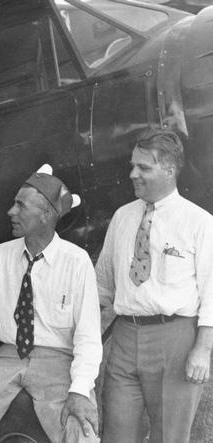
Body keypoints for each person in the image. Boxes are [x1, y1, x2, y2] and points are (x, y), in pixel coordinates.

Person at [0, 165, 102, 443]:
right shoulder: (1, 255)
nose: (10, 212)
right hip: (7, 358)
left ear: (46, 215)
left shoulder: (77, 262)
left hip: (57, 362)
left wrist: (79, 391)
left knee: (81, 430)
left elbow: (88, 336)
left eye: (20, 206)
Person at [96, 129, 213, 443]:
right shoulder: (122, 217)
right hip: (124, 337)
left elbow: (212, 294)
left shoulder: (199, 222)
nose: (133, 174)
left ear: (170, 171)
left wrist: (202, 349)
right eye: (133, 165)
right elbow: (102, 287)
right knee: (116, 436)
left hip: (174, 340)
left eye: (143, 168)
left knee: (169, 438)